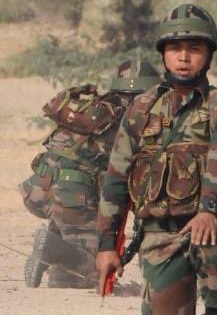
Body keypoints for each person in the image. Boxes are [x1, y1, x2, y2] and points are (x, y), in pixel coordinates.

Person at [96, 4, 217, 315]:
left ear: (208, 56)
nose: (184, 57)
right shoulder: (141, 109)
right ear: (164, 55)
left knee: (210, 235)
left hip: (210, 224)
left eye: (194, 49)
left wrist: (209, 210)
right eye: (176, 49)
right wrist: (108, 245)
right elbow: (116, 179)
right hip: (159, 235)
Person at [20, 59, 161, 288]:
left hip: (37, 189)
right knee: (97, 270)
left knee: (70, 277)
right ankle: (50, 249)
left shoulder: (97, 110)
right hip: (71, 198)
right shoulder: (131, 119)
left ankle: (61, 267)